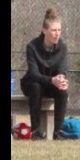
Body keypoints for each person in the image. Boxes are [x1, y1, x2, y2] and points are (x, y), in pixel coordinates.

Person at [20, 8, 69, 140]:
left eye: (59, 30)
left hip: (50, 84)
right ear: (44, 30)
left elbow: (63, 69)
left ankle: (58, 132)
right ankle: (36, 131)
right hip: (32, 83)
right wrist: (52, 80)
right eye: (53, 30)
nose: (57, 34)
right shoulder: (32, 46)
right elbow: (33, 73)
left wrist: (61, 79)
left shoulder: (62, 48)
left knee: (62, 91)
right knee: (36, 87)